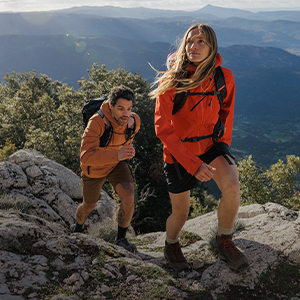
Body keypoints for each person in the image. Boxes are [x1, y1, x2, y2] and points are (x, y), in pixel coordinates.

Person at [150, 23, 249, 272]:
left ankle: (224, 240)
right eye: (190, 41)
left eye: (201, 41)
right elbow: (163, 129)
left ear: (212, 46)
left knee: (233, 186)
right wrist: (193, 164)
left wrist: (223, 146)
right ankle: (171, 244)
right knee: (181, 213)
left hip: (210, 145)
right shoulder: (171, 80)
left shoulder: (223, 77)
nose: (194, 46)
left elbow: (227, 113)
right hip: (179, 153)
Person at [73, 85, 141, 254]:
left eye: (129, 108)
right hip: (94, 168)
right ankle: (77, 229)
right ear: (111, 107)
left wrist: (124, 153)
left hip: (116, 163)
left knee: (129, 195)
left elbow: (124, 142)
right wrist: (117, 154)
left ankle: (121, 239)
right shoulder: (97, 121)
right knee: (89, 205)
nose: (126, 113)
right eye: (120, 108)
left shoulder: (134, 122)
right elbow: (85, 156)